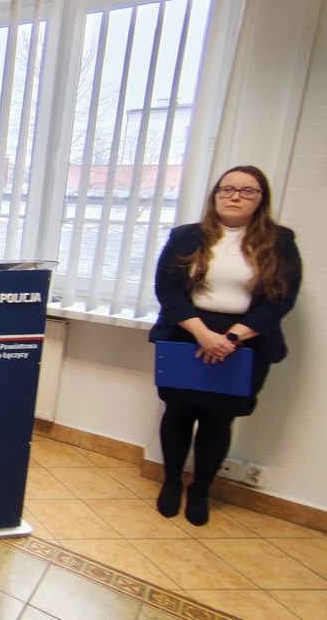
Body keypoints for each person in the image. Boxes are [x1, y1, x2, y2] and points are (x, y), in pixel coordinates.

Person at [149, 165, 302, 526]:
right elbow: (167, 289)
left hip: (244, 342)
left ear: (261, 199)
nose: (235, 196)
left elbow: (281, 299)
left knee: (219, 419)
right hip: (187, 333)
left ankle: (200, 490)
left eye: (247, 191)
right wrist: (203, 334)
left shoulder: (279, 241)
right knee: (178, 412)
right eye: (227, 189)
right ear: (215, 195)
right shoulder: (186, 236)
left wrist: (231, 338)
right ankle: (172, 482)